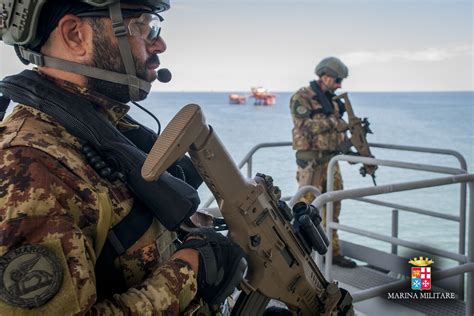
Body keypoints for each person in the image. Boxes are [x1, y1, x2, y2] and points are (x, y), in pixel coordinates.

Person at [0, 0, 247, 314]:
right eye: (140, 26)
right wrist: (189, 271)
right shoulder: (29, 166)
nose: (159, 43)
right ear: (75, 35)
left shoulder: (103, 126)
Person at [289, 56, 357, 268]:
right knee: (307, 209)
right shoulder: (302, 97)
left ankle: (333, 253)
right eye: (337, 80)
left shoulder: (334, 101)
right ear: (325, 76)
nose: (339, 85)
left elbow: (338, 131)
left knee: (334, 206)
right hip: (310, 164)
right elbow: (303, 126)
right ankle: (301, 255)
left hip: (331, 161)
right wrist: (333, 123)